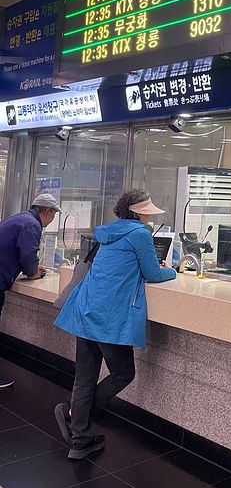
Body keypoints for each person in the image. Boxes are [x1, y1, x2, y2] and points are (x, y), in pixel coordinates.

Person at [53, 190, 176, 460]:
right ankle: (73, 414)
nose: (149, 217)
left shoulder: (108, 231)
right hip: (110, 316)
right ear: (139, 212)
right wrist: (173, 270)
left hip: (86, 309)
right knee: (123, 373)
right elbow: (153, 273)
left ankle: (80, 441)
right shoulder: (140, 234)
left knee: (85, 377)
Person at [0, 193, 60, 388]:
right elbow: (27, 255)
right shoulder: (32, 225)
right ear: (47, 212)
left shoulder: (21, 218)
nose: (52, 219)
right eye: (53, 215)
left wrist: (32, 268)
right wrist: (34, 273)